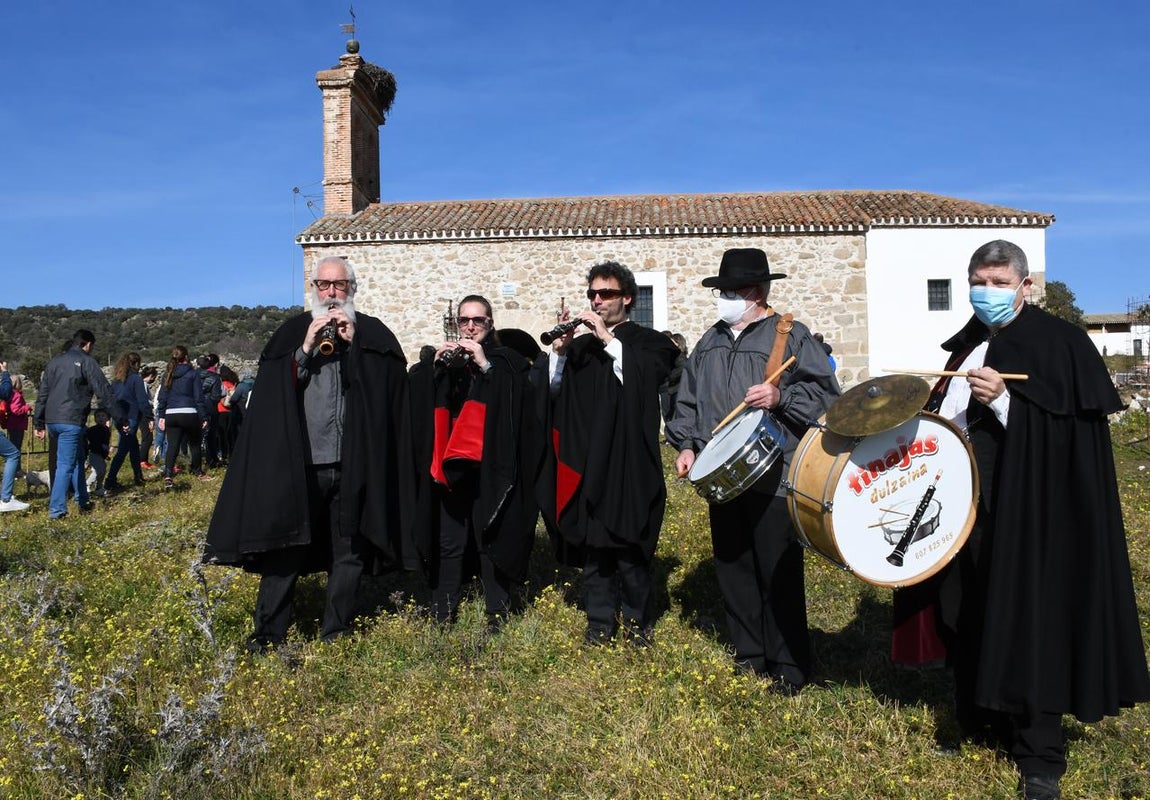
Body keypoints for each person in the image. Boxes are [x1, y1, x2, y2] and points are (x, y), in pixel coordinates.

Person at [908, 240, 1149, 800]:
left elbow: (1073, 436)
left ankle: (1039, 753)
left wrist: (1003, 403)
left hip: (1032, 509)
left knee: (1032, 616)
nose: (984, 292)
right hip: (964, 504)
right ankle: (978, 715)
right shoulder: (970, 341)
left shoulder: (1058, 343)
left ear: (1024, 286)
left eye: (996, 281)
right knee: (964, 607)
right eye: (976, 280)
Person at [205, 256, 412, 652]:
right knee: (286, 547)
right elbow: (272, 393)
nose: (331, 292)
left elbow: (388, 396)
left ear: (353, 288)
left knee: (348, 551)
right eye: (323, 285)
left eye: (339, 285)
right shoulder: (291, 335)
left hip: (354, 463)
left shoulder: (374, 336)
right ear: (313, 288)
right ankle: (268, 632)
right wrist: (304, 349)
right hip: (301, 463)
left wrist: (358, 347)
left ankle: (336, 631)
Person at [667, 248, 840, 694]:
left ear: (758, 292)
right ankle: (750, 654)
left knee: (777, 570)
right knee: (734, 565)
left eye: (732, 291)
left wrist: (781, 400)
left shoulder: (792, 336)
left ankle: (789, 666)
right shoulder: (709, 340)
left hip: (775, 473)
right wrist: (686, 445)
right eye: (721, 290)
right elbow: (686, 400)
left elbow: (826, 398)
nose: (724, 297)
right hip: (721, 474)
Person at [536, 261, 679, 645]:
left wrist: (607, 339)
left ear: (627, 298)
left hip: (628, 459)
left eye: (606, 294)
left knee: (630, 544)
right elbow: (551, 394)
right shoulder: (579, 347)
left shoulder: (649, 342)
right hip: (586, 458)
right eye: (592, 294)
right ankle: (599, 622)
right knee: (595, 545)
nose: (597, 301)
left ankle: (636, 623)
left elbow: (648, 376)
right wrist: (561, 353)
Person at [409, 295, 542, 629]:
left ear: (490, 323)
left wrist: (485, 366)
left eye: (478, 320)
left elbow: (518, 401)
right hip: (453, 467)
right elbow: (420, 399)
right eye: (464, 320)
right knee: (450, 542)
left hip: (490, 468)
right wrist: (434, 369)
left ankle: (497, 614)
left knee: (489, 539)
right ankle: (443, 614)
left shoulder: (505, 360)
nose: (470, 326)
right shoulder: (448, 360)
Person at [33, 330, 126, 519]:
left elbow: (42, 394)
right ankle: (57, 510)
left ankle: (83, 499)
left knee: (77, 459)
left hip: (52, 420)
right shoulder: (87, 362)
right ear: (89, 344)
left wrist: (38, 422)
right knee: (65, 465)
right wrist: (120, 418)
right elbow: (104, 392)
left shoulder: (54, 362)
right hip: (72, 420)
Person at [156, 345, 210, 489]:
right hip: (189, 411)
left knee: (173, 445)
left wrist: (161, 415)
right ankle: (197, 470)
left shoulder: (168, 374)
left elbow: (162, 397)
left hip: (171, 414)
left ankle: (168, 474)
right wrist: (204, 416)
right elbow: (199, 397)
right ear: (186, 357)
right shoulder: (193, 374)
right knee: (194, 444)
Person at [105, 352, 152, 492]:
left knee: (133, 447)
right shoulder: (136, 379)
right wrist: (149, 417)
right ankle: (110, 479)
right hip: (131, 416)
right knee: (124, 448)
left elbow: (110, 399)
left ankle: (138, 475)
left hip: (119, 417)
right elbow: (142, 401)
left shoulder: (116, 380)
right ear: (135, 364)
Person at [0, 360, 30, 513]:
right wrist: (4, 371)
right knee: (13, 453)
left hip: (11, 425)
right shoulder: (15, 394)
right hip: (15, 425)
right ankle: (6, 498)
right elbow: (4, 392)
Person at [86, 408, 112, 497]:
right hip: (94, 453)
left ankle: (98, 487)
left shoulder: (106, 429)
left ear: (107, 418)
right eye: (98, 416)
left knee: (102, 470)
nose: (100, 418)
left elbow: (106, 442)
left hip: (102, 454)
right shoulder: (93, 430)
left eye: (103, 416)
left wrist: (107, 451)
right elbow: (92, 440)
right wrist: (102, 446)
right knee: (99, 470)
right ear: (95, 419)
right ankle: (88, 484)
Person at [138, 366, 159, 469]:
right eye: (153, 377)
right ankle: (143, 461)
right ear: (150, 376)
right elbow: (145, 401)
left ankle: (142, 459)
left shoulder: (140, 384)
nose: (154, 379)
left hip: (142, 413)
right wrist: (150, 417)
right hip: (144, 414)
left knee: (146, 437)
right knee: (148, 437)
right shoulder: (143, 385)